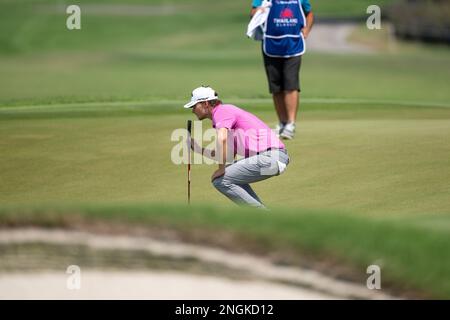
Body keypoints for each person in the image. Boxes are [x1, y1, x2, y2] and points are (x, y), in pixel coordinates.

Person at [184, 86, 289, 209]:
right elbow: (226, 155)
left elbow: (221, 139)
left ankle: (263, 216)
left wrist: (221, 169)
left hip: (270, 159)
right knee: (228, 178)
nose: (193, 110)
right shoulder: (226, 120)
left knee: (221, 180)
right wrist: (197, 148)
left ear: (205, 103)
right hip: (274, 161)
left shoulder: (222, 111)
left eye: (194, 106)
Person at [250, 0, 314, 139]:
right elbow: (253, 12)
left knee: (291, 85)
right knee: (276, 87)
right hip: (271, 45)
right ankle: (282, 123)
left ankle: (291, 124)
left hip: (293, 45)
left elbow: (309, 14)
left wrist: (307, 29)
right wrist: (260, 10)